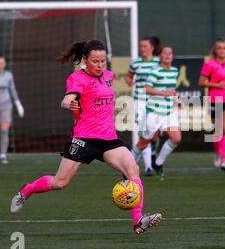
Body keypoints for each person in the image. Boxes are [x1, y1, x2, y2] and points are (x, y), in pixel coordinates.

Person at [9, 40, 162, 235]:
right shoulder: (77, 78)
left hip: (108, 138)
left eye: (102, 61)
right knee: (60, 183)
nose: (99, 65)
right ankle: (26, 191)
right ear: (85, 60)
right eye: (95, 61)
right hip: (84, 138)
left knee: (133, 169)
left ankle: (138, 220)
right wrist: (67, 104)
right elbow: (67, 99)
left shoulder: (108, 76)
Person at [131, 46, 181, 181]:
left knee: (176, 138)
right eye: (165, 53)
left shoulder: (174, 71)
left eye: (170, 53)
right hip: (153, 112)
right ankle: (128, 166)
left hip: (168, 112)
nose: (167, 55)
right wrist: (164, 93)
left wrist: (176, 99)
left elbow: (171, 90)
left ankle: (158, 163)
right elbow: (146, 89)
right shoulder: (155, 71)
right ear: (160, 56)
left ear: (172, 56)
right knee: (143, 143)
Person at [198, 37, 225, 171]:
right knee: (217, 130)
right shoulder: (210, 64)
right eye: (219, 48)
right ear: (215, 50)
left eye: (224, 48)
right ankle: (218, 153)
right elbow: (201, 82)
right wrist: (216, 84)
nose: (222, 51)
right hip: (215, 99)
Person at [126, 36, 161, 176]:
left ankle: (151, 152)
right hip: (140, 101)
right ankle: (148, 167)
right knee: (144, 133)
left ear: (152, 48)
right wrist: (129, 81)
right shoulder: (135, 63)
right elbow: (129, 76)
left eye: (145, 46)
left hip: (156, 101)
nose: (142, 49)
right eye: (141, 46)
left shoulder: (159, 62)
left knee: (153, 136)